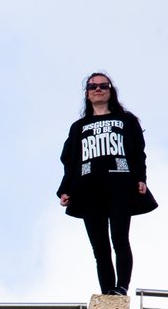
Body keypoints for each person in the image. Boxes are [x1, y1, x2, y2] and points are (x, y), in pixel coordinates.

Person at [56, 72, 157, 296]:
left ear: (111, 90)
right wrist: (65, 189)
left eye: (103, 85)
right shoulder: (78, 127)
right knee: (99, 247)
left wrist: (141, 178)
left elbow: (138, 152)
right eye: (93, 86)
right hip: (88, 190)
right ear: (87, 94)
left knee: (120, 238)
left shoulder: (126, 120)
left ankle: (121, 287)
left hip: (120, 186)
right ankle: (107, 293)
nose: (98, 89)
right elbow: (70, 161)